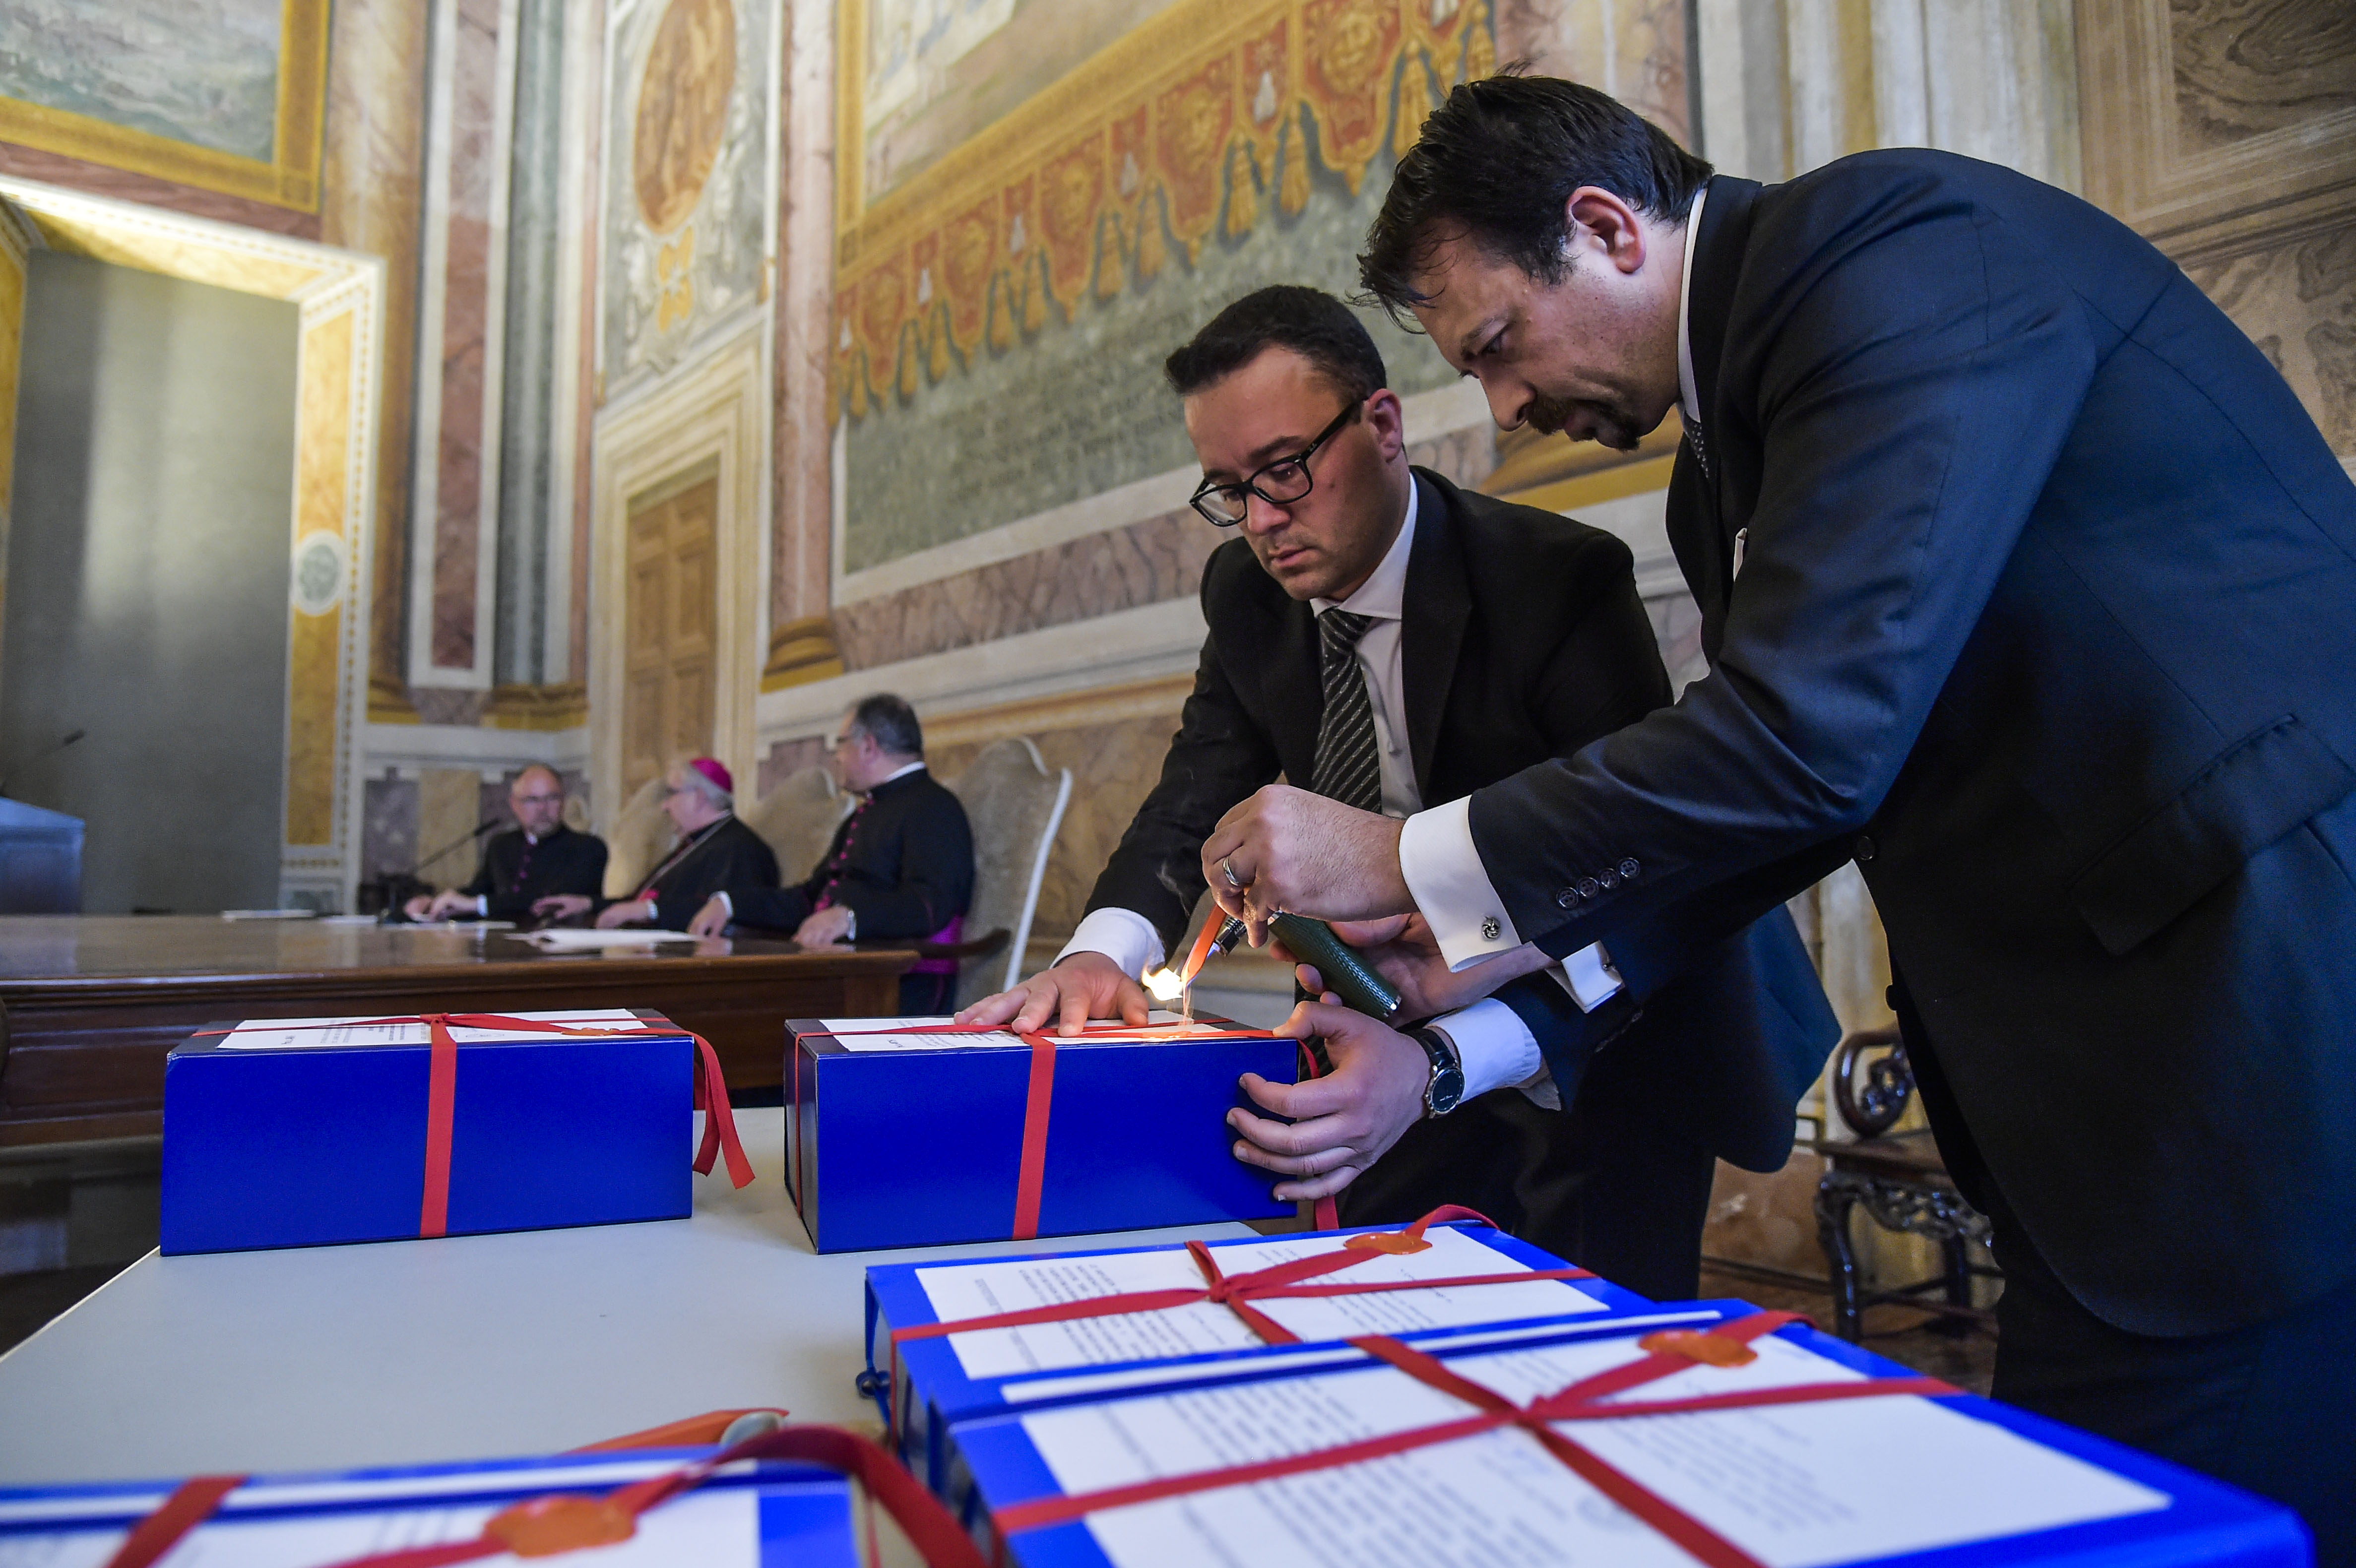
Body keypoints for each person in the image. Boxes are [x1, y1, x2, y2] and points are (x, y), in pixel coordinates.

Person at [1201, 75, 2356, 1555]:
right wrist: (1478, 957)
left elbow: (1806, 737)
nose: (1502, 408)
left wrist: (1401, 856)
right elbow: (1775, 816)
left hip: (2245, 1032)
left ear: (1606, 228)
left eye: (1494, 346)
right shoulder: (1718, 469)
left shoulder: (1890, 252)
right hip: (2108, 1106)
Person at [960, 285, 1834, 1300]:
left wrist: (1450, 1057)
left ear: (1381, 425)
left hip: (1596, 1034)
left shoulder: (1550, 580)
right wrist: (1097, 954)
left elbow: (1643, 876)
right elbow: (1190, 793)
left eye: (1284, 469)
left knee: (1583, 1335)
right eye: (1228, 490)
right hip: (1379, 1025)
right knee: (1378, 1311)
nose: (1261, 520)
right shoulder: (1246, 594)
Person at [688, 694, 975, 1012]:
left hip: (894, 986)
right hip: (844, 973)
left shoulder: (934, 807)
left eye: (840, 744)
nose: (837, 757)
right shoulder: (866, 812)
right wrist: (729, 904)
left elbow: (930, 904)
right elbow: (810, 900)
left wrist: (849, 918)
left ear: (868, 747)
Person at [533, 757, 778, 931]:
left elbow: (725, 911)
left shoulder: (740, 848)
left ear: (699, 797)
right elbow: (640, 902)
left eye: (672, 794)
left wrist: (649, 911)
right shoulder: (694, 843)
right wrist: (587, 904)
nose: (665, 806)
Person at [402, 765, 607, 923]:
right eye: (532, 800)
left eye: (552, 798)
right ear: (514, 804)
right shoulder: (502, 845)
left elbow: (546, 902)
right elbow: (478, 892)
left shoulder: (588, 848)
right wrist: (435, 903)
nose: (543, 809)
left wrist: (477, 905)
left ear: (563, 801)